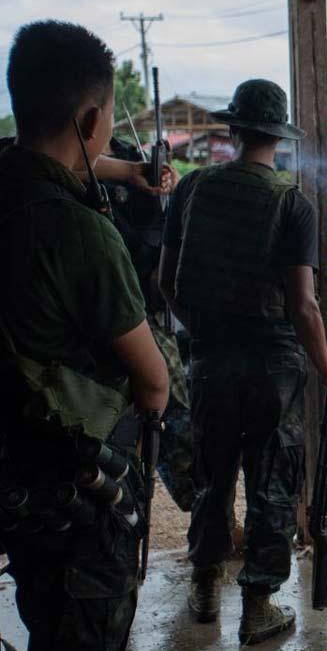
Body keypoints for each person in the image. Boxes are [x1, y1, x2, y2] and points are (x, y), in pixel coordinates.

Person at [158, 79, 327, 646]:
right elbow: (303, 305)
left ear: (234, 129)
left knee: (211, 478)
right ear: (279, 136)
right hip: (274, 370)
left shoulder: (193, 189)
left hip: (210, 361)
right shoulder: (291, 203)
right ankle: (258, 607)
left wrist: (203, 333)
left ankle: (203, 587)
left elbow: (165, 282)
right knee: (271, 484)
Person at [0, 20, 170, 650]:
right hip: (76, 487)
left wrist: (129, 175)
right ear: (95, 116)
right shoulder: (78, 231)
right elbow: (154, 384)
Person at [104, 134, 197, 514]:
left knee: (172, 416)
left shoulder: (128, 153)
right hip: (93, 319)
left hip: (142, 305)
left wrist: (145, 177)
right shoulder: (26, 159)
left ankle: (201, 514)